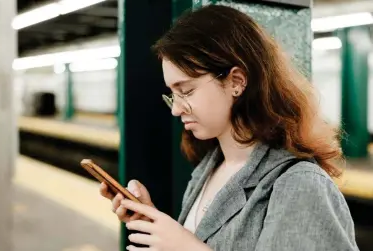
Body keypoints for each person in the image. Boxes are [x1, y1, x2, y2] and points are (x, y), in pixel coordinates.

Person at [100, 5, 359, 251]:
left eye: (186, 91)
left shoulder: (300, 184)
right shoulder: (209, 169)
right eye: (172, 94)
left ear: (236, 81)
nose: (175, 109)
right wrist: (152, 222)